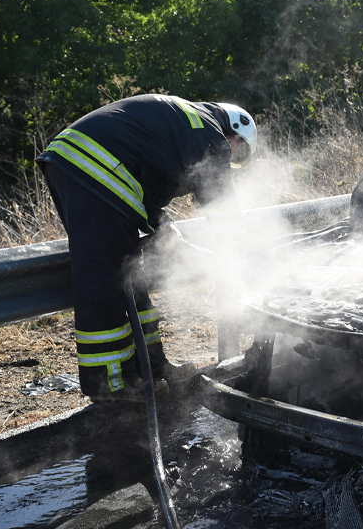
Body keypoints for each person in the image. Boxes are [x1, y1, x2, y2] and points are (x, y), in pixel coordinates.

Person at [35, 94, 257, 402]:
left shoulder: (184, 122)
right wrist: (245, 256)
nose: (230, 158)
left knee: (127, 271)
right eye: (236, 151)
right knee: (104, 277)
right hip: (93, 168)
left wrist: (162, 226)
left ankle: (152, 366)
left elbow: (145, 178)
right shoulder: (210, 132)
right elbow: (221, 206)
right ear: (233, 131)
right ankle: (109, 384)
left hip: (85, 165)